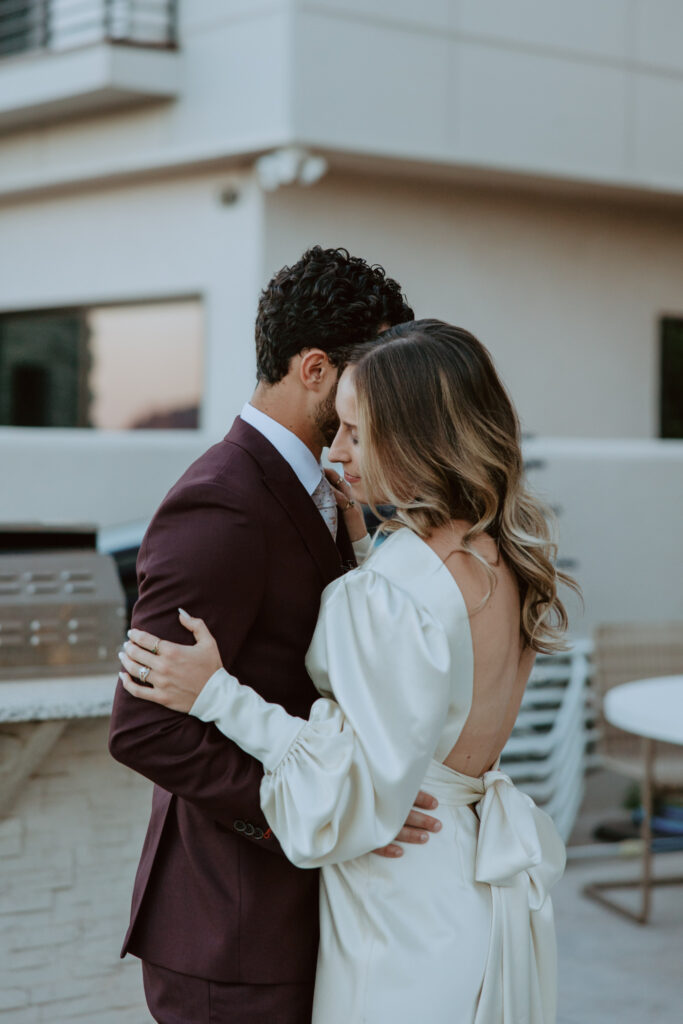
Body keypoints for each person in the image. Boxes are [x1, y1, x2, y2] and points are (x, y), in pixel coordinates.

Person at [120, 319, 578, 1024]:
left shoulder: (388, 592)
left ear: (418, 436)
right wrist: (370, 549)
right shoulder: (504, 556)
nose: (335, 452)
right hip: (471, 879)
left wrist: (217, 695)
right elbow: (429, 657)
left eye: (356, 433)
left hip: (397, 904)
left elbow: (344, 787)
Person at [108, 247, 443, 1024]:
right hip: (230, 931)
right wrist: (323, 818)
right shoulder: (220, 502)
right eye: (376, 370)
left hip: (301, 918)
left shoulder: (326, 489)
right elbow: (144, 729)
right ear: (318, 369)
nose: (387, 396)